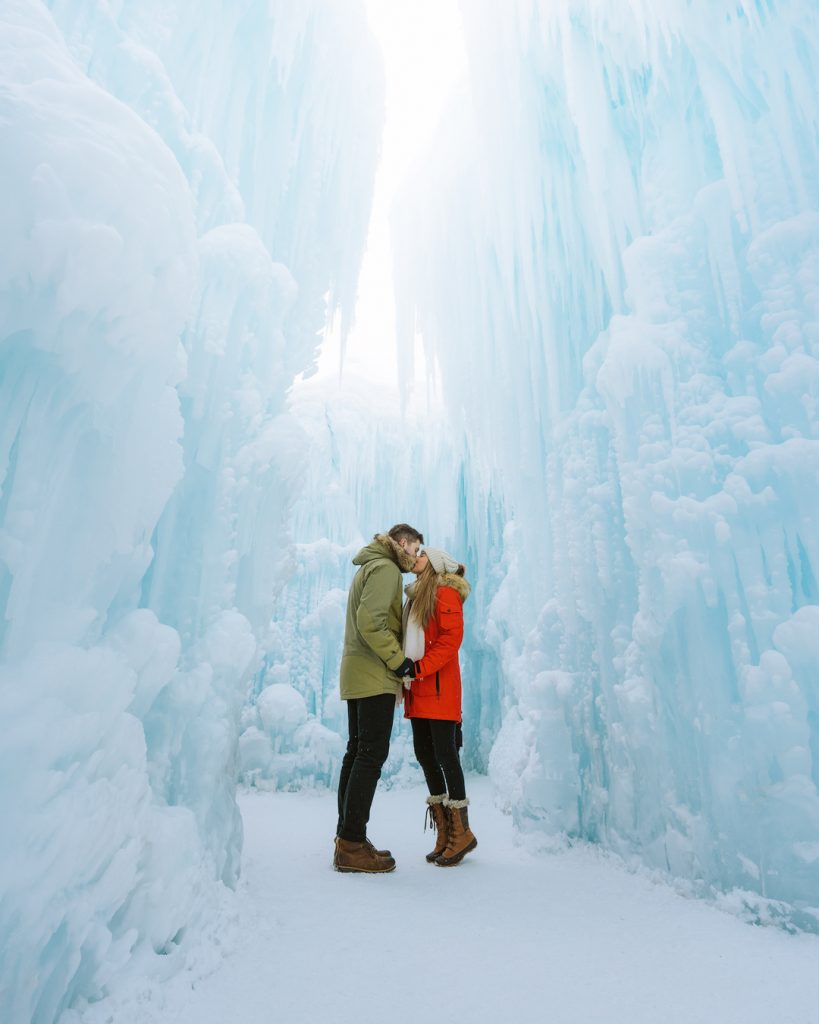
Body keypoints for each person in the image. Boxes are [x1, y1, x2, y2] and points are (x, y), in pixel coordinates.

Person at [334, 524, 423, 873]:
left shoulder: (369, 567)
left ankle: (347, 836)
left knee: (357, 751)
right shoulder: (386, 569)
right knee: (370, 754)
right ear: (402, 543)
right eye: (416, 550)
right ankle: (352, 844)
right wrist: (399, 661)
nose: (416, 558)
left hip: (358, 672)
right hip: (374, 675)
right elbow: (371, 622)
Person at [402, 547, 477, 866]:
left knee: (445, 755)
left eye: (421, 555)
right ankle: (445, 830)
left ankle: (463, 832)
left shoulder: (445, 592)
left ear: (433, 564)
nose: (415, 557)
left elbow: (450, 640)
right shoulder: (418, 594)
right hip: (419, 689)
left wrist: (418, 669)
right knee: (424, 752)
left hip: (438, 688)